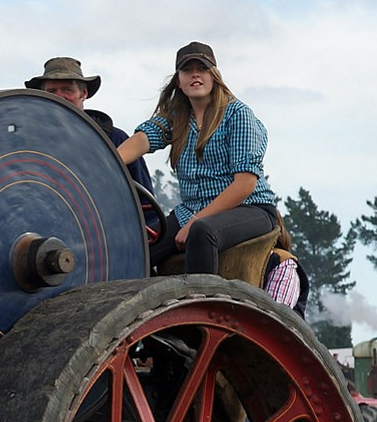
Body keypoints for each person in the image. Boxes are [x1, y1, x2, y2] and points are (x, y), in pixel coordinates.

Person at [116, 41, 280, 276]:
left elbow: (245, 184)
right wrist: (111, 163)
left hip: (249, 208)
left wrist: (194, 222)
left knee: (202, 232)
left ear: (213, 75)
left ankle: (201, 303)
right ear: (179, 81)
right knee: (134, 249)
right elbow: (144, 138)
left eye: (201, 68)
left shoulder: (238, 115)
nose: (195, 74)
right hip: (191, 209)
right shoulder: (177, 116)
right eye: (187, 69)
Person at [26, 57, 156, 200]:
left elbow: (146, 206)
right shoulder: (28, 143)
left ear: (83, 94)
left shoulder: (115, 140)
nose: (59, 96)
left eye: (67, 90)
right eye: (52, 91)